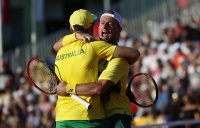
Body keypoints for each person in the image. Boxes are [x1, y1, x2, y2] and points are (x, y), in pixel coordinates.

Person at [54, 9, 140, 128]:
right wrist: (75, 35)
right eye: (101, 22)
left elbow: (99, 88)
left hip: (116, 116)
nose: (104, 26)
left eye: (110, 24)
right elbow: (55, 47)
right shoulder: (93, 48)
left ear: (119, 29)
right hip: (100, 115)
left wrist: (67, 88)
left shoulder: (119, 59)